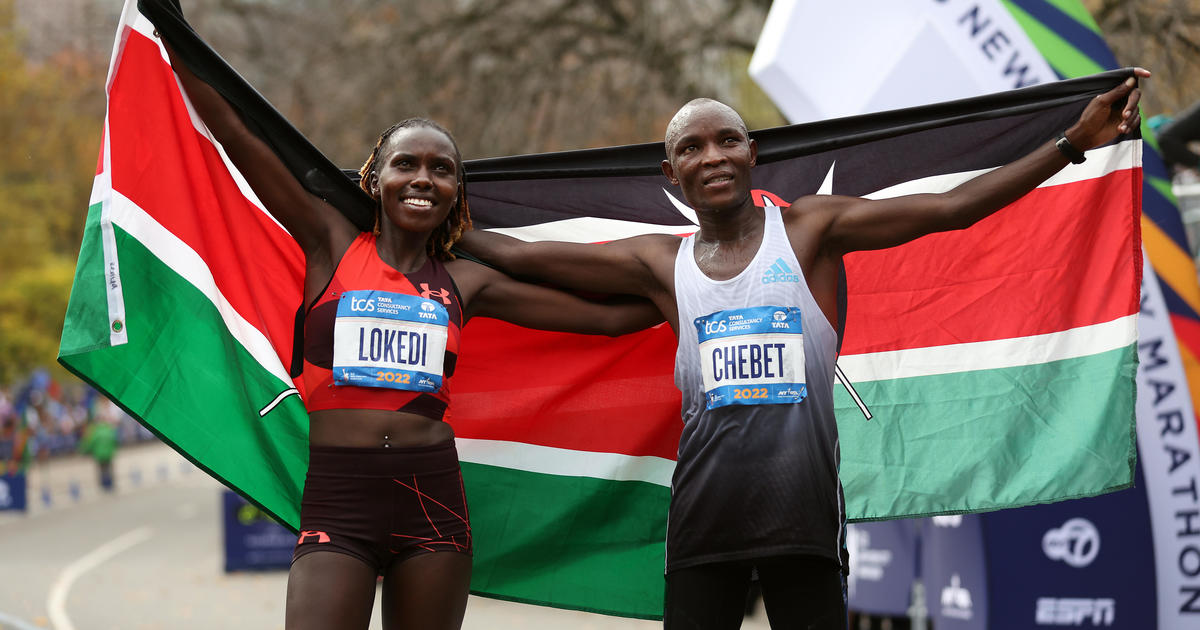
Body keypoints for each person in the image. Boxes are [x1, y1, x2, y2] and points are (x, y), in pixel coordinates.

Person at [459, 72, 1149, 629]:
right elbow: (531, 258)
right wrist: (437, 222)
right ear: (672, 172)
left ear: (752, 152)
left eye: (726, 140)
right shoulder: (661, 263)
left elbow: (953, 209)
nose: (713, 156)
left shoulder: (811, 229)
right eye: (693, 149)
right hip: (703, 523)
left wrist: (1071, 142)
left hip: (804, 524)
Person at [159, 36, 662, 630]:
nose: (423, 178)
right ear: (375, 180)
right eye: (407, 164)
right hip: (339, 498)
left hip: (433, 498)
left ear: (456, 191)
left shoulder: (464, 282)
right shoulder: (332, 245)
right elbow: (238, 136)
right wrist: (170, 34)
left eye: (441, 170)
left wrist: (690, 286)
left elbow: (605, 318)